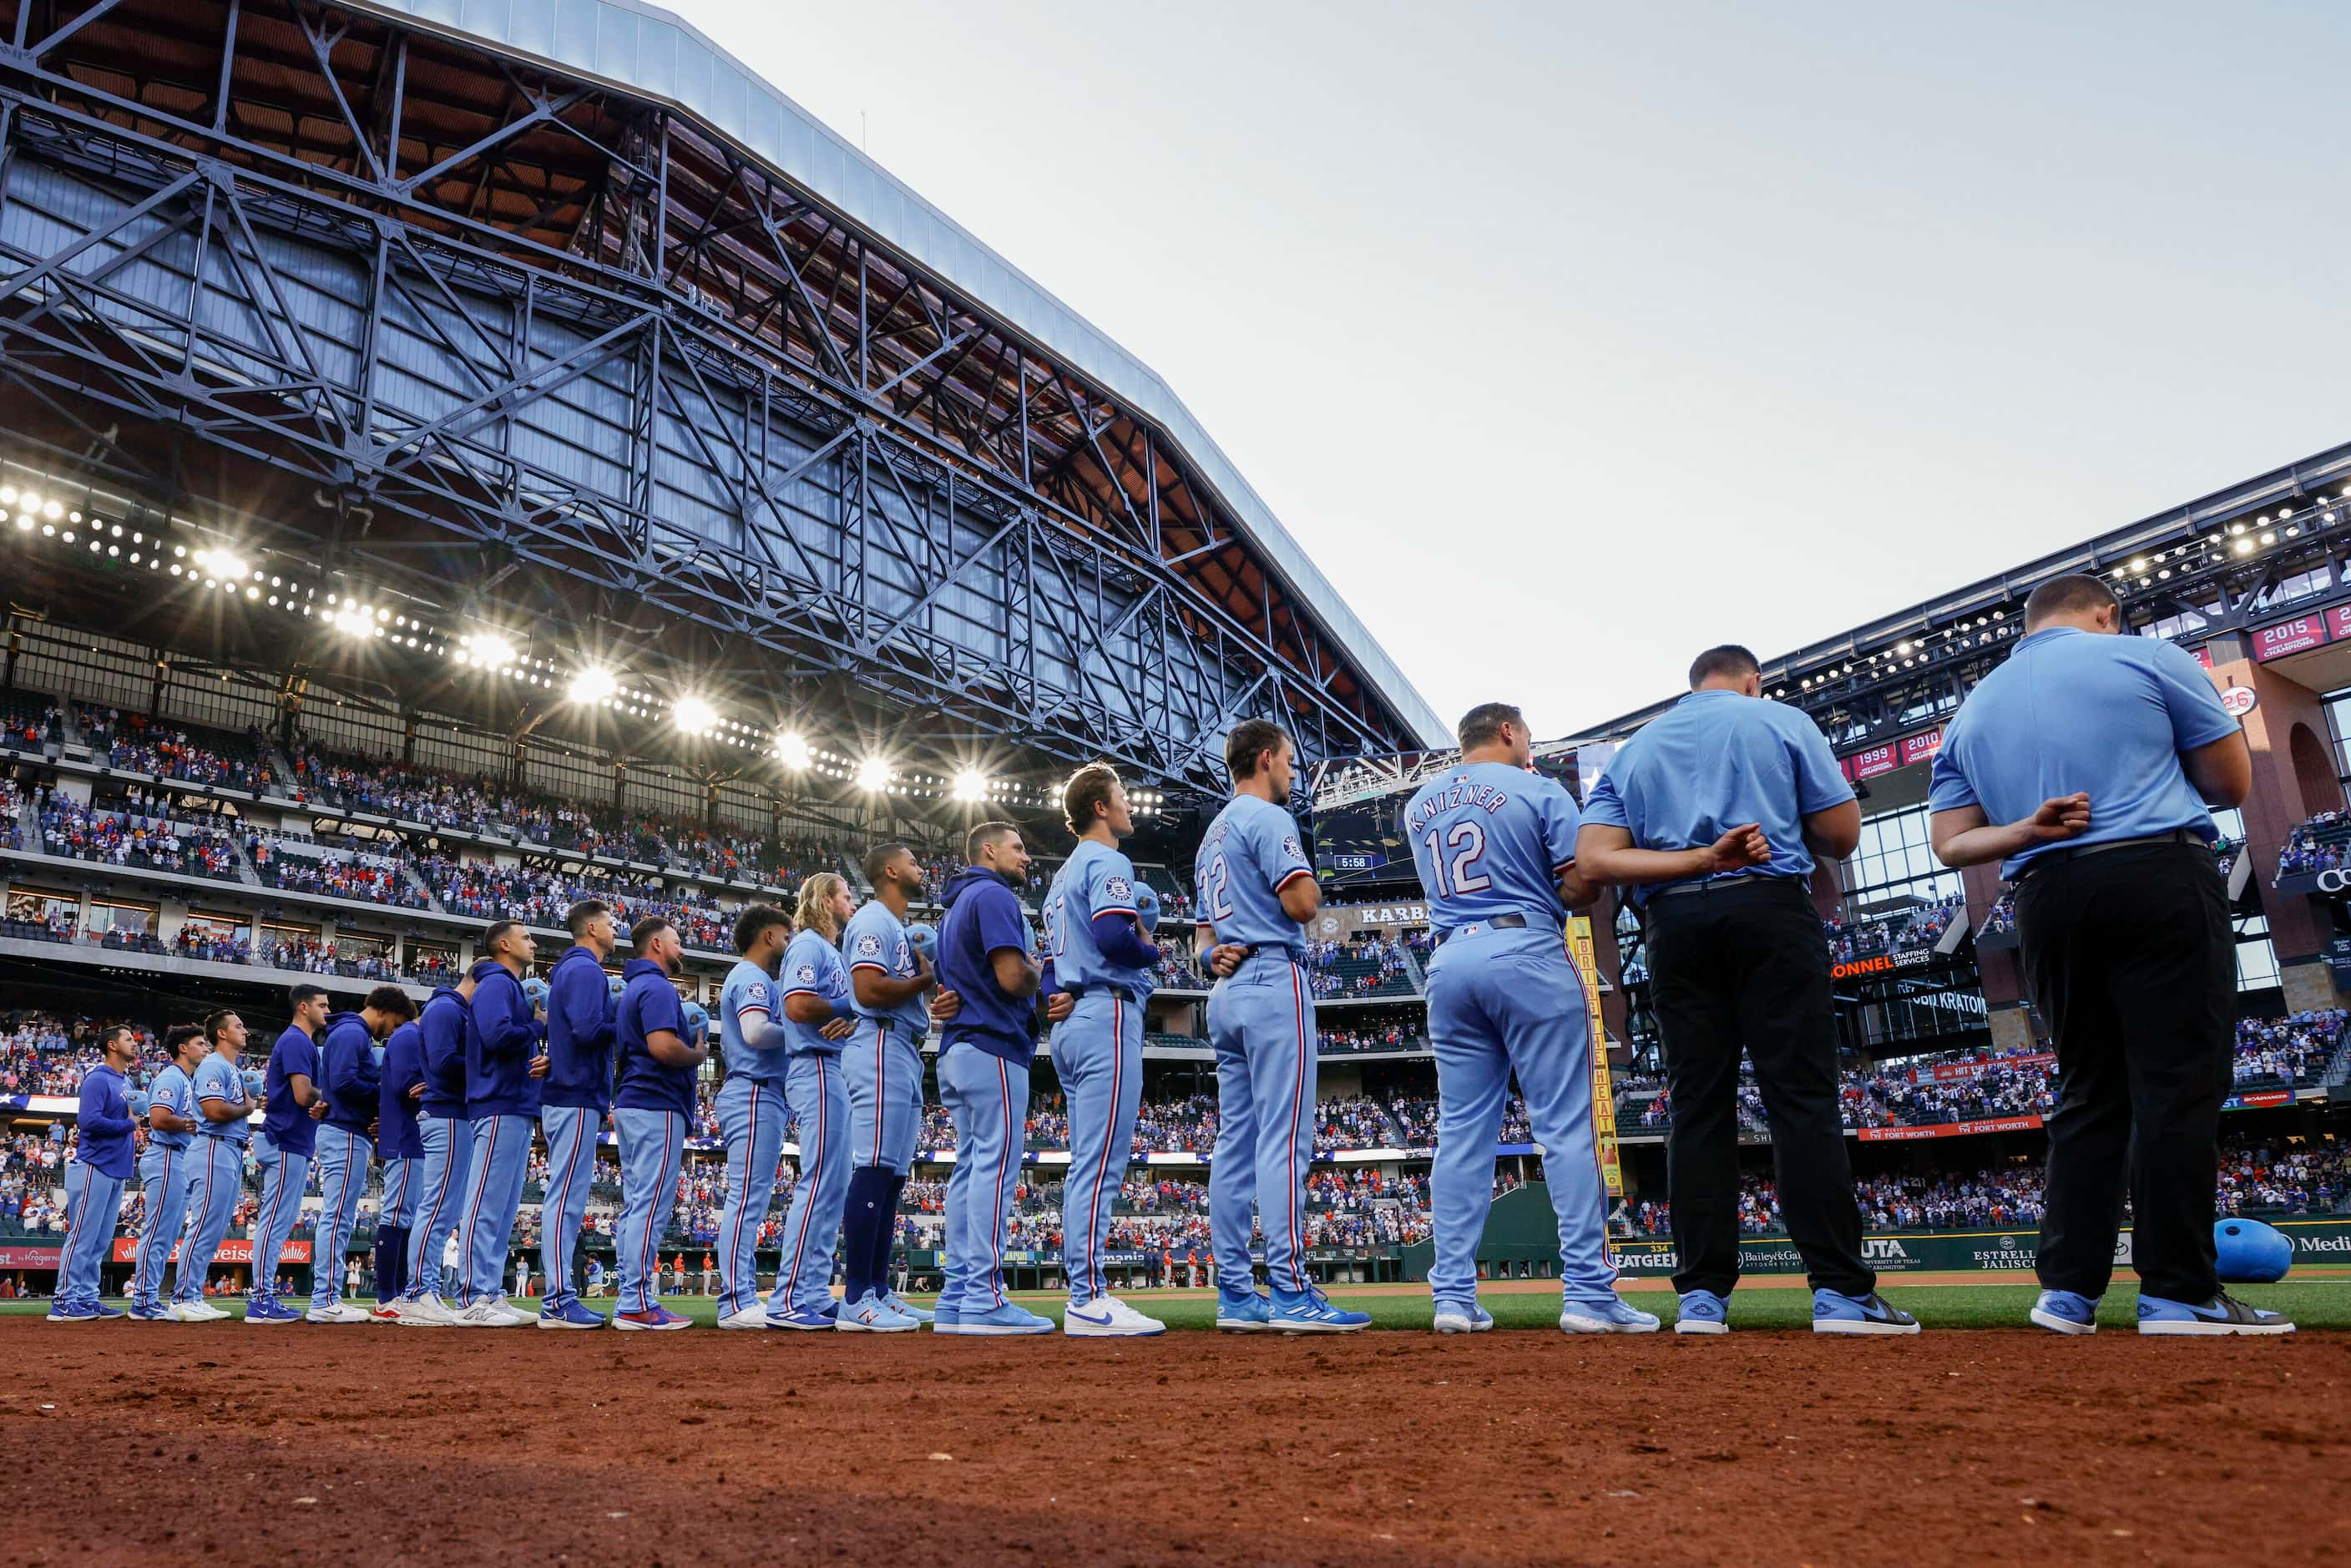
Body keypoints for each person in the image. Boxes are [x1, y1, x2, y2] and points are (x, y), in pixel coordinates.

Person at [1928, 573, 2288, 1336]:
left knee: (2088, 1088)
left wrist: (2029, 827)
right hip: (2157, 871)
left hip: (2044, 896)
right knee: (2177, 1084)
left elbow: (1952, 844)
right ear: (2105, 614)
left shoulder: (1972, 710)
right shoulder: (2148, 658)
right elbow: (2229, 783)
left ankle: (2066, 1293)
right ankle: (2179, 1293)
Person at [1579, 647, 1914, 1337]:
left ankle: (1701, 1300)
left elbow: (1596, 862)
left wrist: (1695, 858)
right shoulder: (1781, 722)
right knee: (1801, 1099)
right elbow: (1842, 836)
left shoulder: (1635, 752)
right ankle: (1841, 1296)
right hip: (1768, 910)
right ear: (1752, 681)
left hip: (1674, 922)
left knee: (1697, 1108)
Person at [1403, 703, 1656, 1336]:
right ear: (1510, 733)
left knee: (1461, 1133)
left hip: (1450, 960)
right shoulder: (1539, 788)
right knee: (1567, 1129)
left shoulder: (1418, 804)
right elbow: (1584, 885)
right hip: (1525, 949)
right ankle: (1589, 1295)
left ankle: (1454, 1299)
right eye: (1527, 738)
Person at [1195, 720, 1367, 1333]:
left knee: (1234, 1145)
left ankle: (1238, 1296)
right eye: (1289, 761)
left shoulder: (1211, 834)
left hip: (1226, 990)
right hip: (1272, 978)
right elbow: (1302, 905)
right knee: (1284, 1139)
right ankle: (1292, 1292)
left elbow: (1203, 941)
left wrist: (1209, 955)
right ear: (1265, 759)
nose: (1293, 772)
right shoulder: (1269, 818)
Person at [1045, 764, 1166, 1337]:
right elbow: (1117, 936)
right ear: (1099, 807)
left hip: (1073, 1019)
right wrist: (1153, 949)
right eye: (1121, 797)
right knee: (1101, 1165)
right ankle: (1088, 1297)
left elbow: (1049, 967)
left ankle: (1084, 1292)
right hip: (1106, 1013)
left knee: (1085, 1164)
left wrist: (1059, 992)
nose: (1128, 807)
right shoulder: (1107, 859)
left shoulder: (1060, 874)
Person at [933, 821, 1067, 1335]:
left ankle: (957, 1296)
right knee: (993, 1171)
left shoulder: (954, 906)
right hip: (992, 1045)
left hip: (959, 1048)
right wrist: (1037, 972)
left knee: (970, 1170)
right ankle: (984, 1298)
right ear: (988, 850)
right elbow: (1014, 977)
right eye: (1018, 847)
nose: (1027, 857)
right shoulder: (992, 896)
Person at [837, 845, 943, 1328]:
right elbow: (866, 989)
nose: (921, 869)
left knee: (894, 1175)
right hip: (880, 1040)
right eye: (914, 862)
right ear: (891, 870)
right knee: (875, 1167)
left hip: (902, 1045)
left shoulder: (895, 926)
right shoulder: (874, 920)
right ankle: (856, 1296)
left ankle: (878, 1289)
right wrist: (923, 982)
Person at [765, 873, 860, 1330]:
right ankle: (786, 1297)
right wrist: (850, 1007)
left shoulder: (828, 951)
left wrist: (851, 1016)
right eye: (846, 896)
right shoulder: (808, 945)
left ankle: (813, 1290)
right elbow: (799, 1006)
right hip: (815, 1066)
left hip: (831, 1066)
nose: (853, 903)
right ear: (826, 901)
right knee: (820, 1180)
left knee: (835, 1184)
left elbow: (833, 1008)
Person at [453, 921, 546, 1328]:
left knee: (505, 1206)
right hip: (497, 1101)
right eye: (526, 937)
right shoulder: (496, 982)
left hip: (513, 1102)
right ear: (504, 945)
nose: (534, 942)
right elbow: (495, 1036)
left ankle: (489, 1291)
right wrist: (539, 1026)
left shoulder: (506, 985)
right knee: (486, 1202)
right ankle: (473, 1295)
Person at [612, 916, 703, 1330]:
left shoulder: (635, 987)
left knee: (637, 1206)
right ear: (655, 945)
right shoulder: (656, 987)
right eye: (676, 941)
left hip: (634, 1103)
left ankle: (632, 1299)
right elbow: (663, 1047)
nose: (681, 949)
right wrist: (698, 1054)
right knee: (649, 1207)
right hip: (655, 1103)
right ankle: (635, 1302)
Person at [308, 987, 415, 1323]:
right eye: (395, 1023)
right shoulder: (354, 1032)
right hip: (344, 1132)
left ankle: (327, 1297)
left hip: (347, 1130)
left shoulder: (352, 1032)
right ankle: (324, 1299)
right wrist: (385, 1095)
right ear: (384, 1010)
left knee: (339, 1216)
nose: (393, 1031)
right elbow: (343, 1083)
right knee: (337, 1216)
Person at [711, 902, 795, 1329]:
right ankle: (735, 1301)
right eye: (786, 935)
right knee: (745, 1200)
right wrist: (805, 1031)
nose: (790, 943)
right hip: (752, 1092)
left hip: (760, 1093)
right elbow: (755, 1032)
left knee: (751, 1200)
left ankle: (738, 1296)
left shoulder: (757, 977)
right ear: (768, 936)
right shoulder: (752, 976)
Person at [538, 899, 619, 1330]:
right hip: (574, 1094)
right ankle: (557, 1299)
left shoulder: (574, 969)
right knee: (565, 1200)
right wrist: (626, 1016)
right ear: (591, 928)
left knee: (567, 1199)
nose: (614, 927)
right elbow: (589, 1030)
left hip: (572, 1094)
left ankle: (558, 1296)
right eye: (608, 922)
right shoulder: (585, 969)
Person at [391, 970, 477, 1324]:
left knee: (444, 1209)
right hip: (447, 1115)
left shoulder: (452, 1009)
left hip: (451, 1114)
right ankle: (416, 1292)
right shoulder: (446, 1007)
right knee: (438, 1207)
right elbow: (443, 1062)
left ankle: (422, 1290)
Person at [247, 985, 329, 1324]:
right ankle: (260, 1298)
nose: (328, 1010)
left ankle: (264, 1296)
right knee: (275, 1222)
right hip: (285, 1140)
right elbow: (301, 1094)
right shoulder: (297, 1040)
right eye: (323, 1004)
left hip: (291, 1140)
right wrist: (332, 1099)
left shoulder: (301, 1041)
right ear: (304, 1007)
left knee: (279, 1221)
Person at [51, 1024, 139, 1320]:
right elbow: (88, 1122)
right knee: (83, 1237)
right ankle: (64, 1300)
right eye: (128, 1039)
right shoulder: (98, 1079)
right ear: (112, 1045)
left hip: (115, 1169)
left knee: (100, 1241)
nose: (134, 1043)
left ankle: (87, 1297)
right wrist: (129, 1124)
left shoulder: (125, 1079)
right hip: (94, 1166)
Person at [171, 1010, 253, 1320]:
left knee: (215, 1228)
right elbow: (215, 1111)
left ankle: (192, 1294)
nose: (244, 1030)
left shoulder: (230, 1067)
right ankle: (182, 1297)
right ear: (221, 1033)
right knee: (205, 1224)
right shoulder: (213, 1065)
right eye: (238, 1026)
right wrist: (247, 1107)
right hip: (213, 1146)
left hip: (229, 1149)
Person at [129, 1024, 205, 1320]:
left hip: (179, 1158)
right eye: (200, 1043)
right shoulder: (171, 1077)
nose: (205, 1048)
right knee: (159, 1233)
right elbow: (159, 1119)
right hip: (166, 1156)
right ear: (183, 1048)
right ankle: (143, 1299)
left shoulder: (187, 1079)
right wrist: (190, 1123)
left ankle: (148, 1297)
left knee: (168, 1232)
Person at [372, 1001, 427, 1317]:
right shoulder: (408, 1036)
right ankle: (386, 1297)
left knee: (405, 1218)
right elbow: (410, 1087)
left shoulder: (410, 1036)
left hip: (410, 1138)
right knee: (396, 1216)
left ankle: (399, 1293)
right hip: (407, 1138)